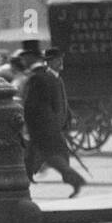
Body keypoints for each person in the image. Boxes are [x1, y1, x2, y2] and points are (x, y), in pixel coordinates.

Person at [17, 41, 85, 197]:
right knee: (49, 155)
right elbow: (35, 106)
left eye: (61, 59)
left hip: (47, 127)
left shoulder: (48, 78)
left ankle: (73, 179)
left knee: (44, 155)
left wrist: (68, 117)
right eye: (57, 59)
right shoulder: (44, 78)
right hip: (46, 127)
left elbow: (58, 103)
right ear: (47, 62)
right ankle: (73, 179)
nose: (60, 62)